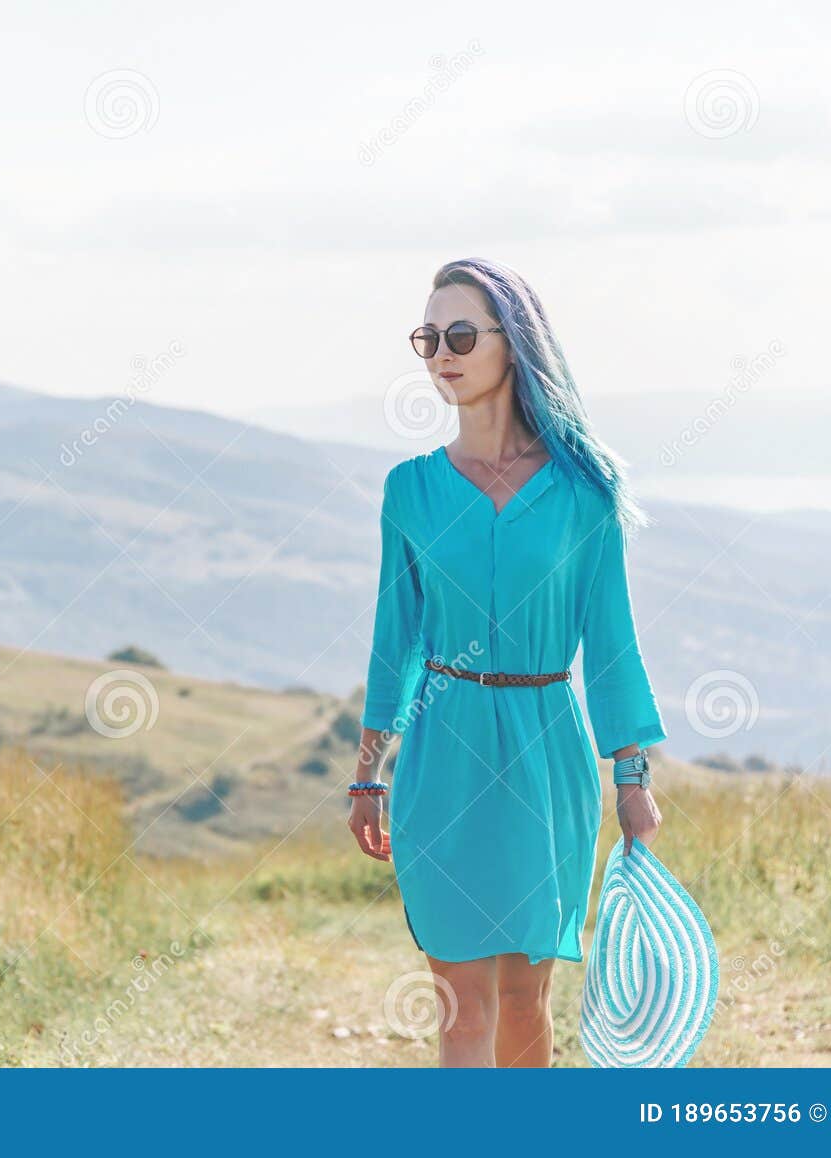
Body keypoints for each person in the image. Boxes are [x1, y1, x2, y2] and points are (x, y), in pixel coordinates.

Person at [350, 257, 668, 1068]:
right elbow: (396, 641)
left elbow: (612, 643)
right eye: (428, 337)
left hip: (544, 762)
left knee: (525, 1005)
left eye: (461, 334)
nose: (440, 354)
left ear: (513, 343)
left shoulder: (583, 495)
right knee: (461, 1008)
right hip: (440, 758)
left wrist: (632, 782)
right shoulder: (410, 490)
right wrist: (366, 774)